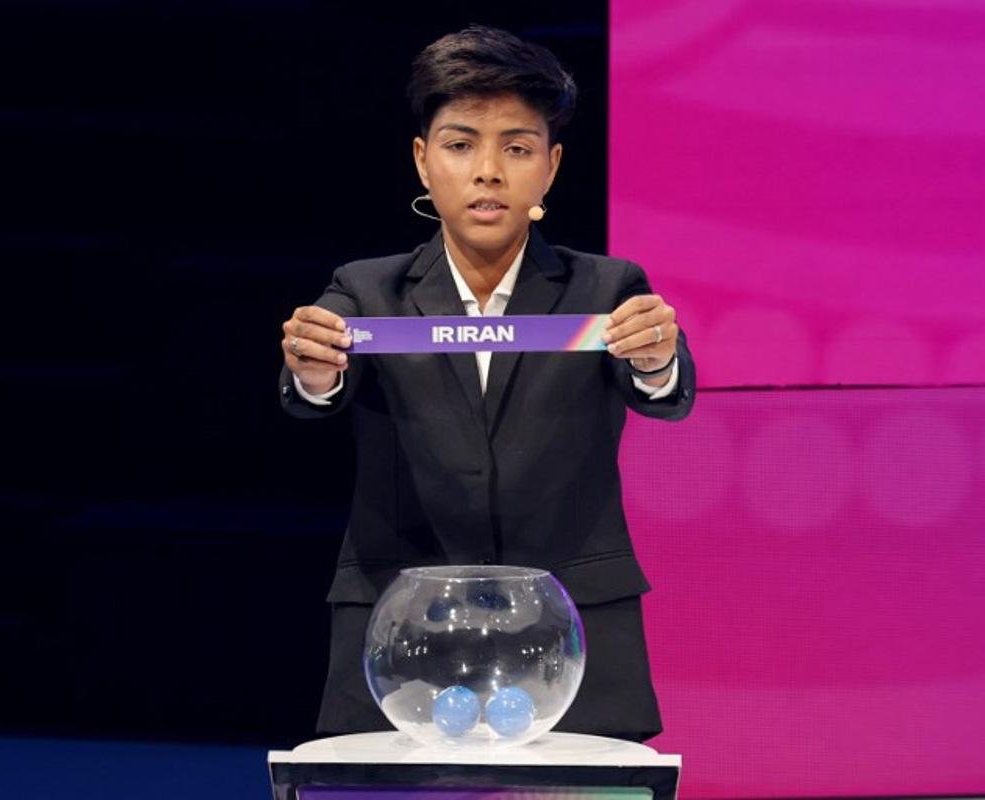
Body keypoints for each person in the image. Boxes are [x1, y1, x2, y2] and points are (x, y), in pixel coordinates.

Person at [278, 25, 695, 742]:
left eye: (518, 147)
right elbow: (318, 387)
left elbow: (660, 385)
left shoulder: (607, 286)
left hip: (570, 631)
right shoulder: (364, 288)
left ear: (551, 166)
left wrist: (656, 359)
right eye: (461, 143)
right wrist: (314, 371)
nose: (488, 172)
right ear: (422, 159)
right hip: (400, 630)